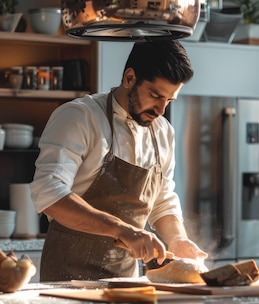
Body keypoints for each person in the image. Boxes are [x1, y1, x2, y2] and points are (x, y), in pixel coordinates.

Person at [30, 40, 208, 282]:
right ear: (130, 78)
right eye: (155, 95)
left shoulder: (163, 132)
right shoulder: (79, 117)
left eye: (169, 100)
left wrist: (177, 239)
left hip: (126, 281)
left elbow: (162, 200)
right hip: (67, 279)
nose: (161, 110)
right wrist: (121, 229)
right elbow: (49, 193)